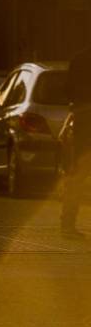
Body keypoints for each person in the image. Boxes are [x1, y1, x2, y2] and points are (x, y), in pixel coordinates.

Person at [61, 47, 91, 238]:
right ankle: (67, 224)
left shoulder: (79, 58)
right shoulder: (81, 59)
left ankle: (68, 224)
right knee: (78, 173)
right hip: (84, 118)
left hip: (82, 118)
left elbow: (68, 89)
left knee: (77, 174)